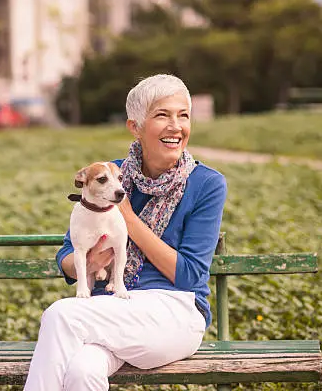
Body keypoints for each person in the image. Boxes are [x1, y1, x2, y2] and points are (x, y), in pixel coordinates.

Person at [23, 74, 228, 391]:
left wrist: (128, 218)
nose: (176, 126)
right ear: (135, 126)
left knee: (62, 315)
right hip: (113, 309)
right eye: (162, 115)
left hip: (175, 312)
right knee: (81, 372)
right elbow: (67, 253)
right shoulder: (110, 175)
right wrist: (86, 263)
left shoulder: (207, 184)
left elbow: (189, 276)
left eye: (183, 115)